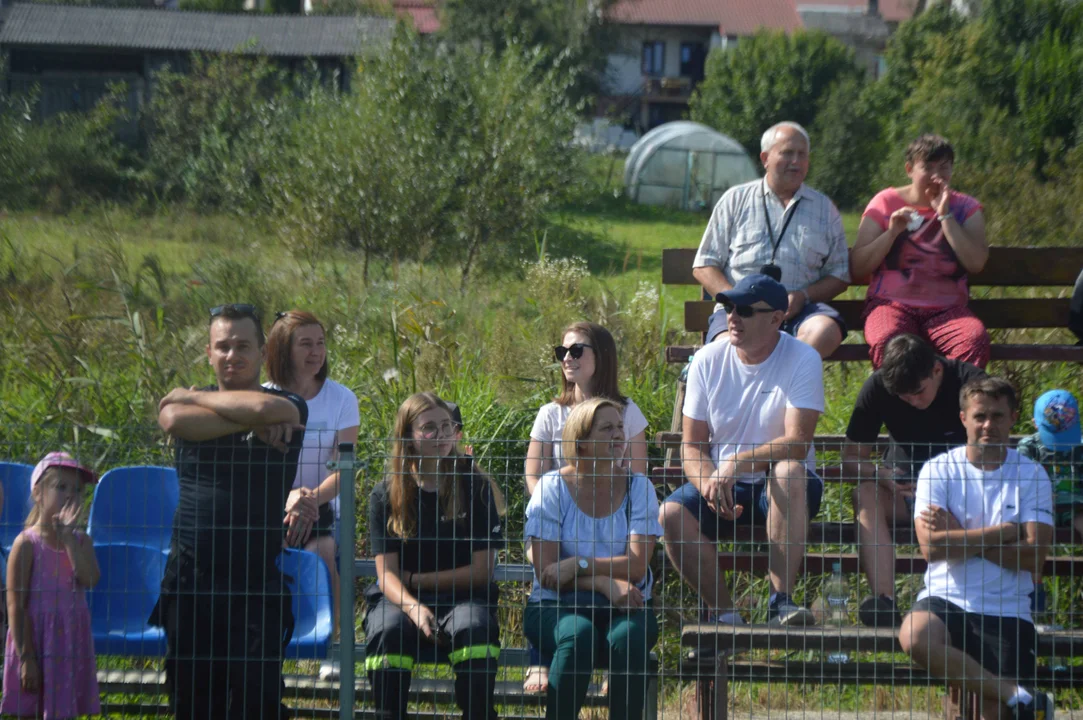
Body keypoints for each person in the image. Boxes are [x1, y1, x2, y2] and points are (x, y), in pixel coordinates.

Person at [152, 303, 309, 720]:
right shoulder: (187, 411)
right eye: (222, 346)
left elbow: (270, 410)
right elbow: (171, 419)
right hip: (189, 579)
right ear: (208, 352)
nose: (231, 355)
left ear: (262, 352)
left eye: (242, 345)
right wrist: (245, 419)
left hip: (255, 584)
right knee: (191, 702)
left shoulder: (289, 404)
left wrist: (191, 396)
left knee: (256, 704)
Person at [659, 273, 825, 625]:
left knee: (789, 471)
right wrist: (709, 484)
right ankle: (726, 617)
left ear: (777, 319)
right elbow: (692, 445)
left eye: (745, 310)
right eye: (729, 307)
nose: (733, 316)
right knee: (670, 514)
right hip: (724, 484)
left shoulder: (803, 358)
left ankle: (781, 602)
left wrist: (736, 462)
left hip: (781, 488)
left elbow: (798, 443)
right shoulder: (707, 359)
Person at [899, 377, 1055, 720]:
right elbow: (933, 551)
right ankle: (1013, 693)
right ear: (963, 418)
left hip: (1007, 607)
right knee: (915, 636)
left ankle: (1009, 699)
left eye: (998, 416)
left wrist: (959, 534)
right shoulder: (938, 470)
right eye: (980, 416)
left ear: (1013, 418)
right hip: (946, 596)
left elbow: (1033, 556)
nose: (988, 425)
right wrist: (1004, 532)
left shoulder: (1032, 475)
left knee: (986, 716)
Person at [523, 320, 649, 693]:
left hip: (609, 522)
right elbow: (533, 474)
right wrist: (553, 509)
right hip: (555, 517)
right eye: (561, 351)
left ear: (602, 355)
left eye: (576, 350)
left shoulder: (627, 413)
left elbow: (635, 478)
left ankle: (613, 662)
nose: (567, 358)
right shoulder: (551, 413)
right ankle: (540, 660)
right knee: (543, 563)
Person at [364, 392, 504, 720]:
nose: (441, 435)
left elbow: (483, 571)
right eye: (428, 428)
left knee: (475, 629)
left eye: (446, 426)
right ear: (408, 437)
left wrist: (418, 580)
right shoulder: (385, 493)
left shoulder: (476, 486)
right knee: (388, 631)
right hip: (401, 600)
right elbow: (387, 575)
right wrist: (414, 607)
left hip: (465, 598)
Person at [524, 397, 663, 720]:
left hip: (626, 603)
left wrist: (578, 564)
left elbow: (638, 565)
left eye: (620, 427)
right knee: (578, 635)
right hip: (554, 603)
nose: (618, 435)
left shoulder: (639, 487)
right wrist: (603, 582)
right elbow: (548, 572)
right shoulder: (552, 487)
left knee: (629, 637)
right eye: (607, 428)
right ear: (581, 443)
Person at [844, 334, 986, 627]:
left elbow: (993, 454)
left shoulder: (971, 384)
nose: (912, 400)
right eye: (902, 396)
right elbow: (851, 457)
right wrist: (880, 475)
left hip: (962, 497)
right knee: (865, 494)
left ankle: (971, 605)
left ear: (936, 370)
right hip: (904, 491)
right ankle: (884, 601)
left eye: (918, 392)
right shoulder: (879, 386)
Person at [692, 121, 850, 358]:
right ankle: (765, 387)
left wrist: (802, 297)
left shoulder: (825, 209)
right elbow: (704, 265)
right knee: (725, 348)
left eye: (802, 154)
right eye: (787, 153)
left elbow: (840, 274)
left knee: (825, 331)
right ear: (765, 158)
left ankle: (782, 386)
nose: (795, 161)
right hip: (739, 313)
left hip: (800, 312)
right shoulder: (735, 200)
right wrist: (737, 301)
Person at [263, 309, 360, 678]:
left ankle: (330, 644)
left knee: (324, 553)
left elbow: (343, 469)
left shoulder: (342, 399)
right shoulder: (264, 398)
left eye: (320, 342)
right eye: (305, 344)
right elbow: (259, 466)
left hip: (321, 506)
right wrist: (287, 498)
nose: (315, 351)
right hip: (272, 502)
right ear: (282, 349)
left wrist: (307, 501)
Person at [851, 134, 990, 369]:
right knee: (888, 341)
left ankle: (954, 405)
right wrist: (892, 232)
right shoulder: (885, 202)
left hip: (948, 310)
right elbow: (858, 267)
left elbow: (976, 263)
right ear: (909, 169)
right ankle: (899, 406)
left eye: (944, 167)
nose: (936, 176)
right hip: (891, 305)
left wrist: (945, 215)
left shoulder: (966, 208)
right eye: (927, 167)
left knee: (973, 340)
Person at [2, 452, 100, 720]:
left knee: (64, 711)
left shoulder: (82, 542)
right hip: (34, 643)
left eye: (78, 490)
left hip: (68, 643)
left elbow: (90, 579)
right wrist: (26, 658)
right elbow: (16, 608)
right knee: (31, 710)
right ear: (38, 493)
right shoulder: (26, 544)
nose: (71, 495)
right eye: (61, 487)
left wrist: (68, 539)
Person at [1018, 389, 1083, 606]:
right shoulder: (1029, 447)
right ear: (1035, 424)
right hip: (1041, 508)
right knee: (1034, 539)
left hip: (1076, 506)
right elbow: (1023, 480)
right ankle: (1034, 598)